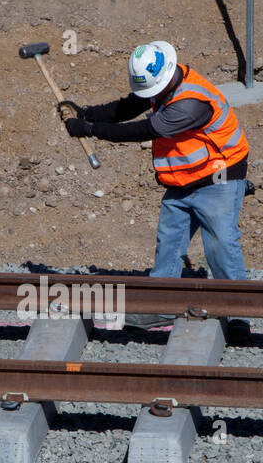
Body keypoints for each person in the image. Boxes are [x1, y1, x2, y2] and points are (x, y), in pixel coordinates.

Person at [64, 41, 251, 336]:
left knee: (220, 245)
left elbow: (142, 130)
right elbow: (127, 107)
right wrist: (87, 113)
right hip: (183, 179)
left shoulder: (190, 103)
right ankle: (161, 307)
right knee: (170, 242)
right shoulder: (164, 85)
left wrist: (89, 130)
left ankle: (239, 315)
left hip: (219, 177)